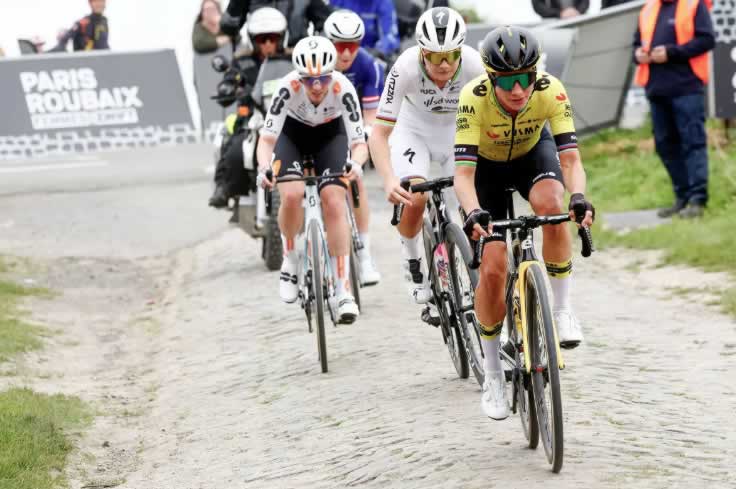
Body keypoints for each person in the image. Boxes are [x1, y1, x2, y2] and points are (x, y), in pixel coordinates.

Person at [453, 26, 594, 419]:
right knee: (494, 270)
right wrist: (472, 213)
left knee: (552, 204)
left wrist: (579, 196)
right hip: (486, 172)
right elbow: (462, 177)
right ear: (491, 78)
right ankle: (495, 375)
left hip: (534, 155)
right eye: (509, 81)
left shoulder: (550, 90)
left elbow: (571, 162)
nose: (519, 90)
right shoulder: (473, 99)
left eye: (526, 79)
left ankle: (562, 310)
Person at [368, 7, 485, 307]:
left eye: (450, 55)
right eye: (434, 56)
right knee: (415, 198)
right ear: (422, 52)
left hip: (456, 130)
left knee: (465, 203)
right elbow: (379, 134)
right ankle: (412, 259)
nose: (444, 64)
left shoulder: (474, 64)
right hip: (413, 130)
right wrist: (388, 179)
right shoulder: (404, 67)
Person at [256, 36, 369, 323]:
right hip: (292, 136)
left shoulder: (343, 88)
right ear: (299, 77)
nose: (317, 87)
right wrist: (263, 168)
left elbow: (359, 142)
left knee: (334, 201)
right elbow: (267, 139)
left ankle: (343, 289)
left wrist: (356, 164)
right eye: (309, 80)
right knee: (291, 195)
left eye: (322, 79)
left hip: (330, 137)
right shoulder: (287, 88)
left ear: (332, 74)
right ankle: (290, 258)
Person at [633, 0, 715, 219]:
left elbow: (707, 40)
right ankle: (682, 197)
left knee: (693, 142)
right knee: (665, 145)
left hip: (686, 87)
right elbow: (635, 45)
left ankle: (698, 199)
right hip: (656, 88)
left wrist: (672, 52)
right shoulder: (648, 9)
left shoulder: (693, 5)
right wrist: (638, 54)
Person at [323, 9, 384, 286]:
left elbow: (371, 118)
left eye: (353, 46)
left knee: (354, 181)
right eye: (340, 46)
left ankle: (364, 252)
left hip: (354, 125)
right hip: (320, 126)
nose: (346, 53)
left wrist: (364, 141)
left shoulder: (368, 65)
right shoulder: (318, 61)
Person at [209, 7, 290, 207]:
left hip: (290, 116)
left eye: (272, 38)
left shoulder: (293, 58)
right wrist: (227, 86)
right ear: (254, 40)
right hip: (254, 116)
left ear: (281, 38)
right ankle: (225, 187)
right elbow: (229, 77)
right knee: (235, 144)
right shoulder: (242, 59)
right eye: (262, 39)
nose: (268, 44)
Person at [219, 0, 333, 49]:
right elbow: (229, 28)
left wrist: (317, 48)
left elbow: (328, 23)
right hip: (261, 59)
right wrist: (235, 6)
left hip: (296, 58)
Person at [329, 0, 400, 61]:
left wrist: (377, 50)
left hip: (366, 54)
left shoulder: (384, 3)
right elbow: (325, 19)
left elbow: (390, 36)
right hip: (336, 50)